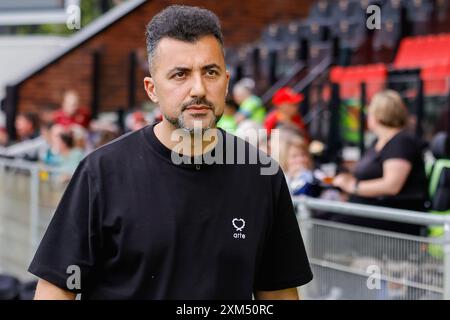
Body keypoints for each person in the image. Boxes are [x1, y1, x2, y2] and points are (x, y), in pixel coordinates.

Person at [29, 5, 312, 300]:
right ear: (152, 89)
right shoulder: (102, 173)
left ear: (226, 83)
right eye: (180, 75)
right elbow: (55, 289)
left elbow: (279, 294)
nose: (198, 89)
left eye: (210, 72)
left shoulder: (261, 176)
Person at [332, 90, 428, 235]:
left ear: (378, 115)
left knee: (326, 224)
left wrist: (353, 186)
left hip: (391, 218)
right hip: (369, 209)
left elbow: (391, 185)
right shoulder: (379, 141)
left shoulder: (401, 142)